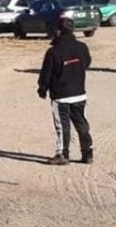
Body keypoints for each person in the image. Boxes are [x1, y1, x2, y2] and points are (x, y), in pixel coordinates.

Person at [37, 18, 93, 165]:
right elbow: (87, 63)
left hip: (61, 96)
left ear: (58, 31)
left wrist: (42, 88)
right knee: (81, 123)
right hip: (79, 93)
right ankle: (87, 153)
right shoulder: (82, 47)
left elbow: (46, 73)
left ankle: (62, 154)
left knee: (62, 126)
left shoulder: (53, 51)